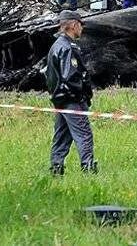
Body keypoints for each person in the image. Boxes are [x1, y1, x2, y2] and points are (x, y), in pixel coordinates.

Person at [46, 10, 96, 175]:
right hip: (72, 99)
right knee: (84, 134)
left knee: (62, 135)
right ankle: (88, 169)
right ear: (74, 25)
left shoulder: (56, 45)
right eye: (81, 25)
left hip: (60, 99)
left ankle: (56, 169)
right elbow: (70, 77)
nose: (82, 28)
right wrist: (82, 95)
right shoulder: (67, 47)